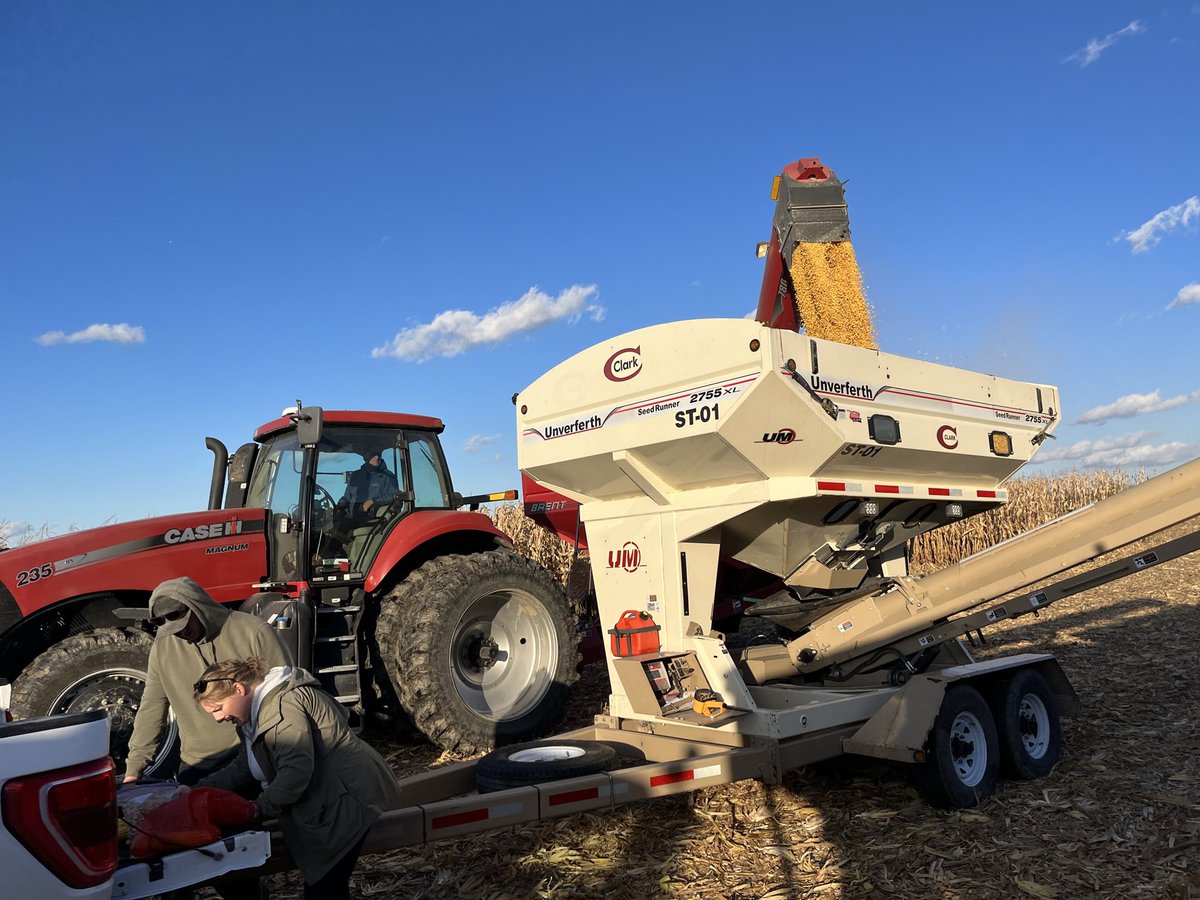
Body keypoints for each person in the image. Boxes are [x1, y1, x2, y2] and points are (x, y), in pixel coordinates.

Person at [195, 658, 402, 900]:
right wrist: (198, 789)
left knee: (324, 890)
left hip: (348, 798)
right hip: (331, 798)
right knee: (325, 888)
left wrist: (256, 809)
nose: (218, 718)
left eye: (218, 708)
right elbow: (245, 765)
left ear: (239, 690)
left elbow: (294, 773)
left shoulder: (281, 708)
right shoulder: (253, 716)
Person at [123, 576, 292, 786]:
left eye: (183, 623)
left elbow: (284, 695)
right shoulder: (162, 647)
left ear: (198, 607)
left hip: (252, 759)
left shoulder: (252, 632)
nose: (181, 632)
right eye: (171, 628)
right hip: (196, 765)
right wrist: (134, 769)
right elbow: (152, 708)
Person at [341, 446, 400, 517]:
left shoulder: (387, 476)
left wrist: (373, 502)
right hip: (353, 519)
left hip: (375, 521)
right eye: (374, 455)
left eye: (379, 455)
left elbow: (395, 496)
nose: (377, 457)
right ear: (366, 457)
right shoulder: (356, 475)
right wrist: (338, 508)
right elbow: (347, 498)